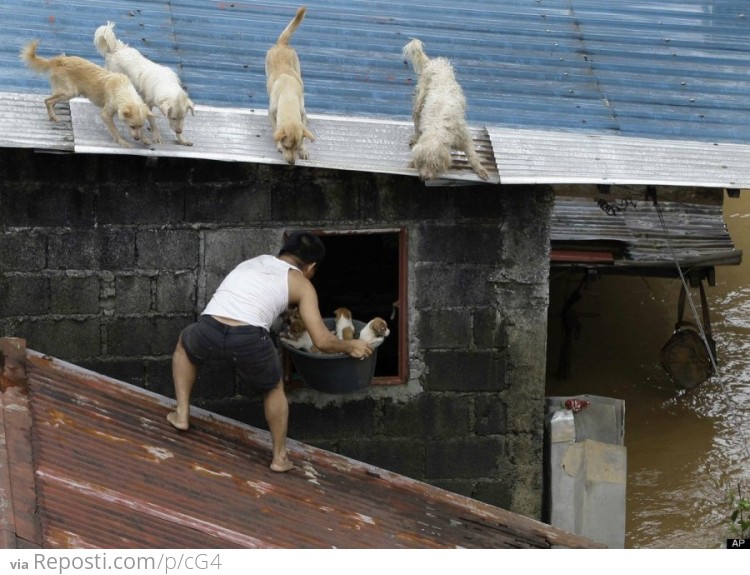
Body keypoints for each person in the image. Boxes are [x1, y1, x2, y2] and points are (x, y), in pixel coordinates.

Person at [167, 231, 373, 472]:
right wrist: (351, 345)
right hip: (249, 338)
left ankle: (181, 413)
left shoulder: (253, 262)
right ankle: (279, 457)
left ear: (283, 252)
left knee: (184, 345)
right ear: (311, 267)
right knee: (274, 388)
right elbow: (322, 340)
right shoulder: (302, 284)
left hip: (210, 326)